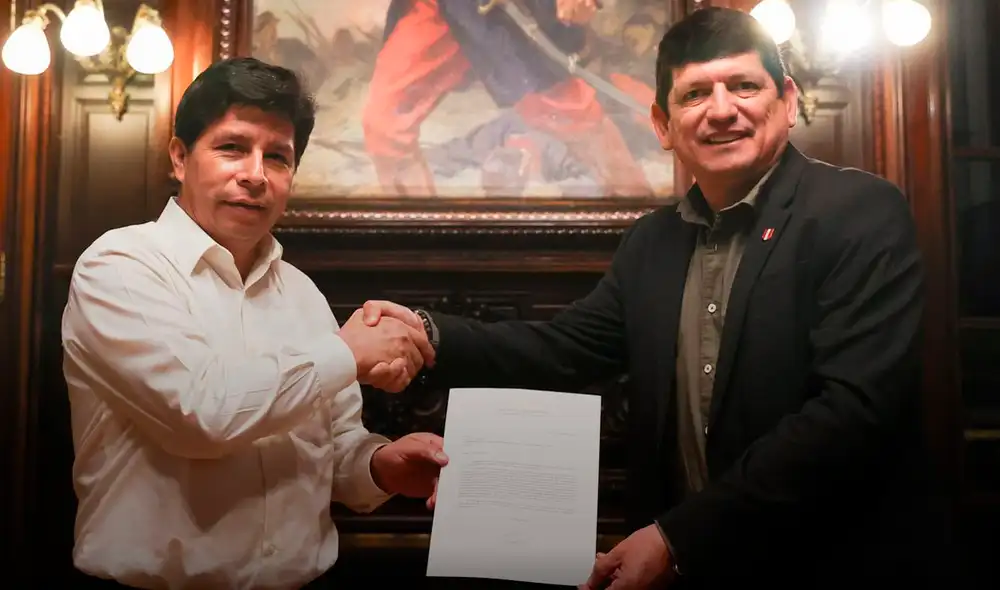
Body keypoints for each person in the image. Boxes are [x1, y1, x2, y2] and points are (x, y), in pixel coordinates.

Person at [361, 7, 954, 588]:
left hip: (830, 567)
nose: (721, 109)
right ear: (663, 125)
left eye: (744, 86)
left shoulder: (859, 212)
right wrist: (427, 334)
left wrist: (678, 539)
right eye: (695, 94)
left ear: (789, 101)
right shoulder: (653, 241)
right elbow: (562, 349)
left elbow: (851, 413)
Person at [61, 57, 446, 589]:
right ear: (180, 157)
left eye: (278, 157)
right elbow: (203, 414)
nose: (256, 175)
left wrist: (382, 465)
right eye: (232, 148)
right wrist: (348, 353)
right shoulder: (119, 266)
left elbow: (332, 450)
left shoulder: (303, 294)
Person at [361, 0, 652, 197]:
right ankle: (420, 249)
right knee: (384, 124)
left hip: (507, 12)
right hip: (441, 6)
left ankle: (640, 223)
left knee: (574, 116)